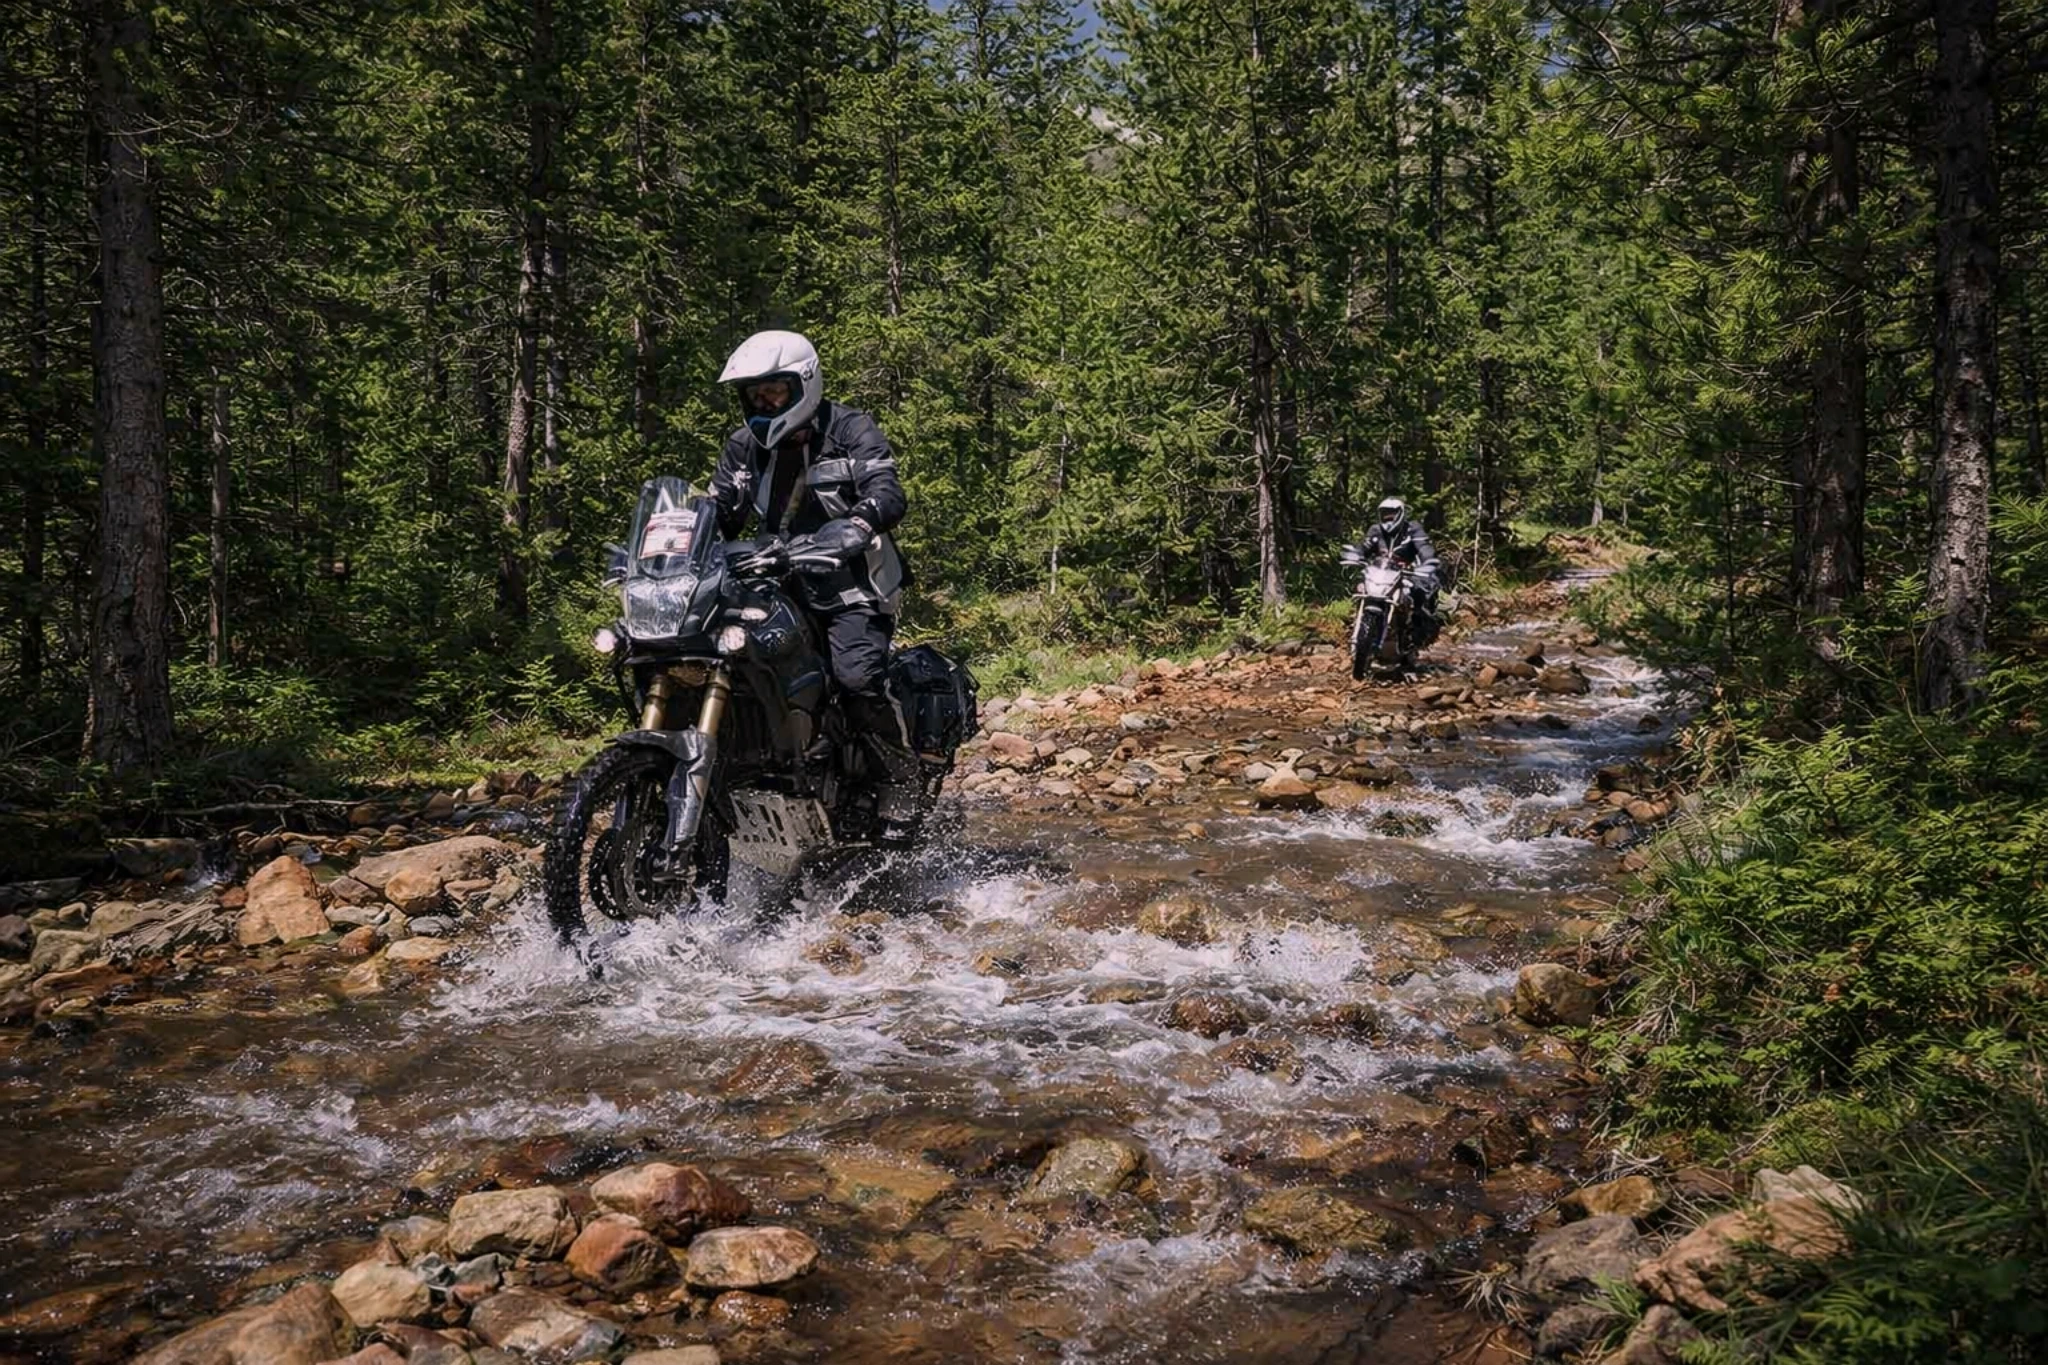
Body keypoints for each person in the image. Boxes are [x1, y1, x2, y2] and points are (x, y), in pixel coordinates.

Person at [708, 329, 922, 841]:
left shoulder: (849, 429)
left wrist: (858, 523)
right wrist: (678, 535)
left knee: (854, 679)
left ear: (804, 384)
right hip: (776, 584)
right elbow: (719, 509)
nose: (764, 403)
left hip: (853, 586)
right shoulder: (743, 447)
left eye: (774, 391)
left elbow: (887, 490)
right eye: (755, 394)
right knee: (738, 665)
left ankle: (899, 780)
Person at [1359, 496, 1442, 647]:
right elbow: (1364, 546)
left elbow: (1424, 546)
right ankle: (1360, 628)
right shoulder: (1375, 530)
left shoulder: (1412, 529)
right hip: (1379, 573)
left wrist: (1428, 561)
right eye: (1385, 513)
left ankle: (1414, 636)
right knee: (1361, 590)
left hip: (1404, 573)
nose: (1388, 517)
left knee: (1417, 594)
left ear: (1401, 513)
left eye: (1392, 513)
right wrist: (1355, 555)